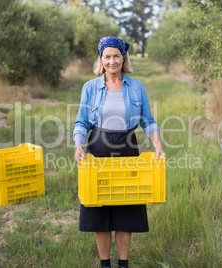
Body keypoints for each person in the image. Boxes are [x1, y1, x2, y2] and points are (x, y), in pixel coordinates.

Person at [73, 36, 165, 268]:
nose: (112, 61)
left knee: (127, 207)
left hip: (127, 147)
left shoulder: (136, 86)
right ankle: (105, 264)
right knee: (99, 208)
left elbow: (148, 120)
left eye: (116, 56)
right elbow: (82, 122)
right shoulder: (90, 87)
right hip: (98, 148)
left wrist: (158, 145)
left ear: (124, 57)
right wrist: (79, 145)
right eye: (107, 56)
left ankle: (123, 264)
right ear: (101, 59)